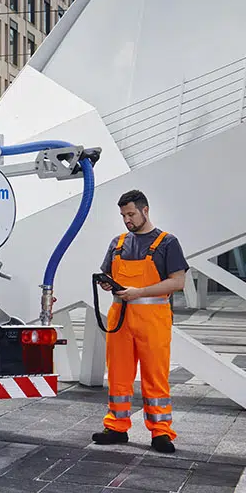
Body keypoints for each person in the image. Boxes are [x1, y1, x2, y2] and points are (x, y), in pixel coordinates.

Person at [92, 189, 188, 454]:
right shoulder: (118, 243)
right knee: (118, 375)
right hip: (120, 318)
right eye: (123, 215)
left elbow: (178, 282)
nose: (127, 220)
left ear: (146, 210)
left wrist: (139, 292)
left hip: (152, 319)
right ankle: (116, 427)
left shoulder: (167, 243)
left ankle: (161, 433)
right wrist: (105, 283)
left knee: (155, 377)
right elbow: (107, 273)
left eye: (131, 214)